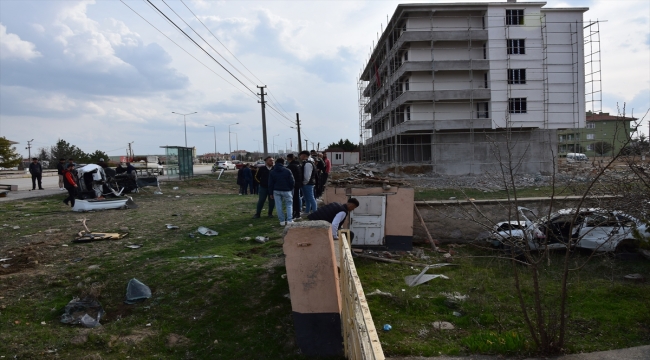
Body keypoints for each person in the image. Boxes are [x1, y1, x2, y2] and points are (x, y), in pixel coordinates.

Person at [268, 158, 295, 226]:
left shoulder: (272, 172)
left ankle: (282, 221)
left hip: (276, 190)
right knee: (289, 205)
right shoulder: (288, 171)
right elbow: (292, 181)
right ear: (283, 163)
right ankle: (289, 220)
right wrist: (290, 188)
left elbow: (270, 183)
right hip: (287, 190)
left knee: (278, 206)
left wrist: (271, 193)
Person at [286, 154, 303, 220]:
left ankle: (294, 213)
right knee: (297, 199)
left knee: (293, 200)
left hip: (293, 185)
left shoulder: (291, 166)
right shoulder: (298, 165)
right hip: (298, 184)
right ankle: (298, 213)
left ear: (289, 159)